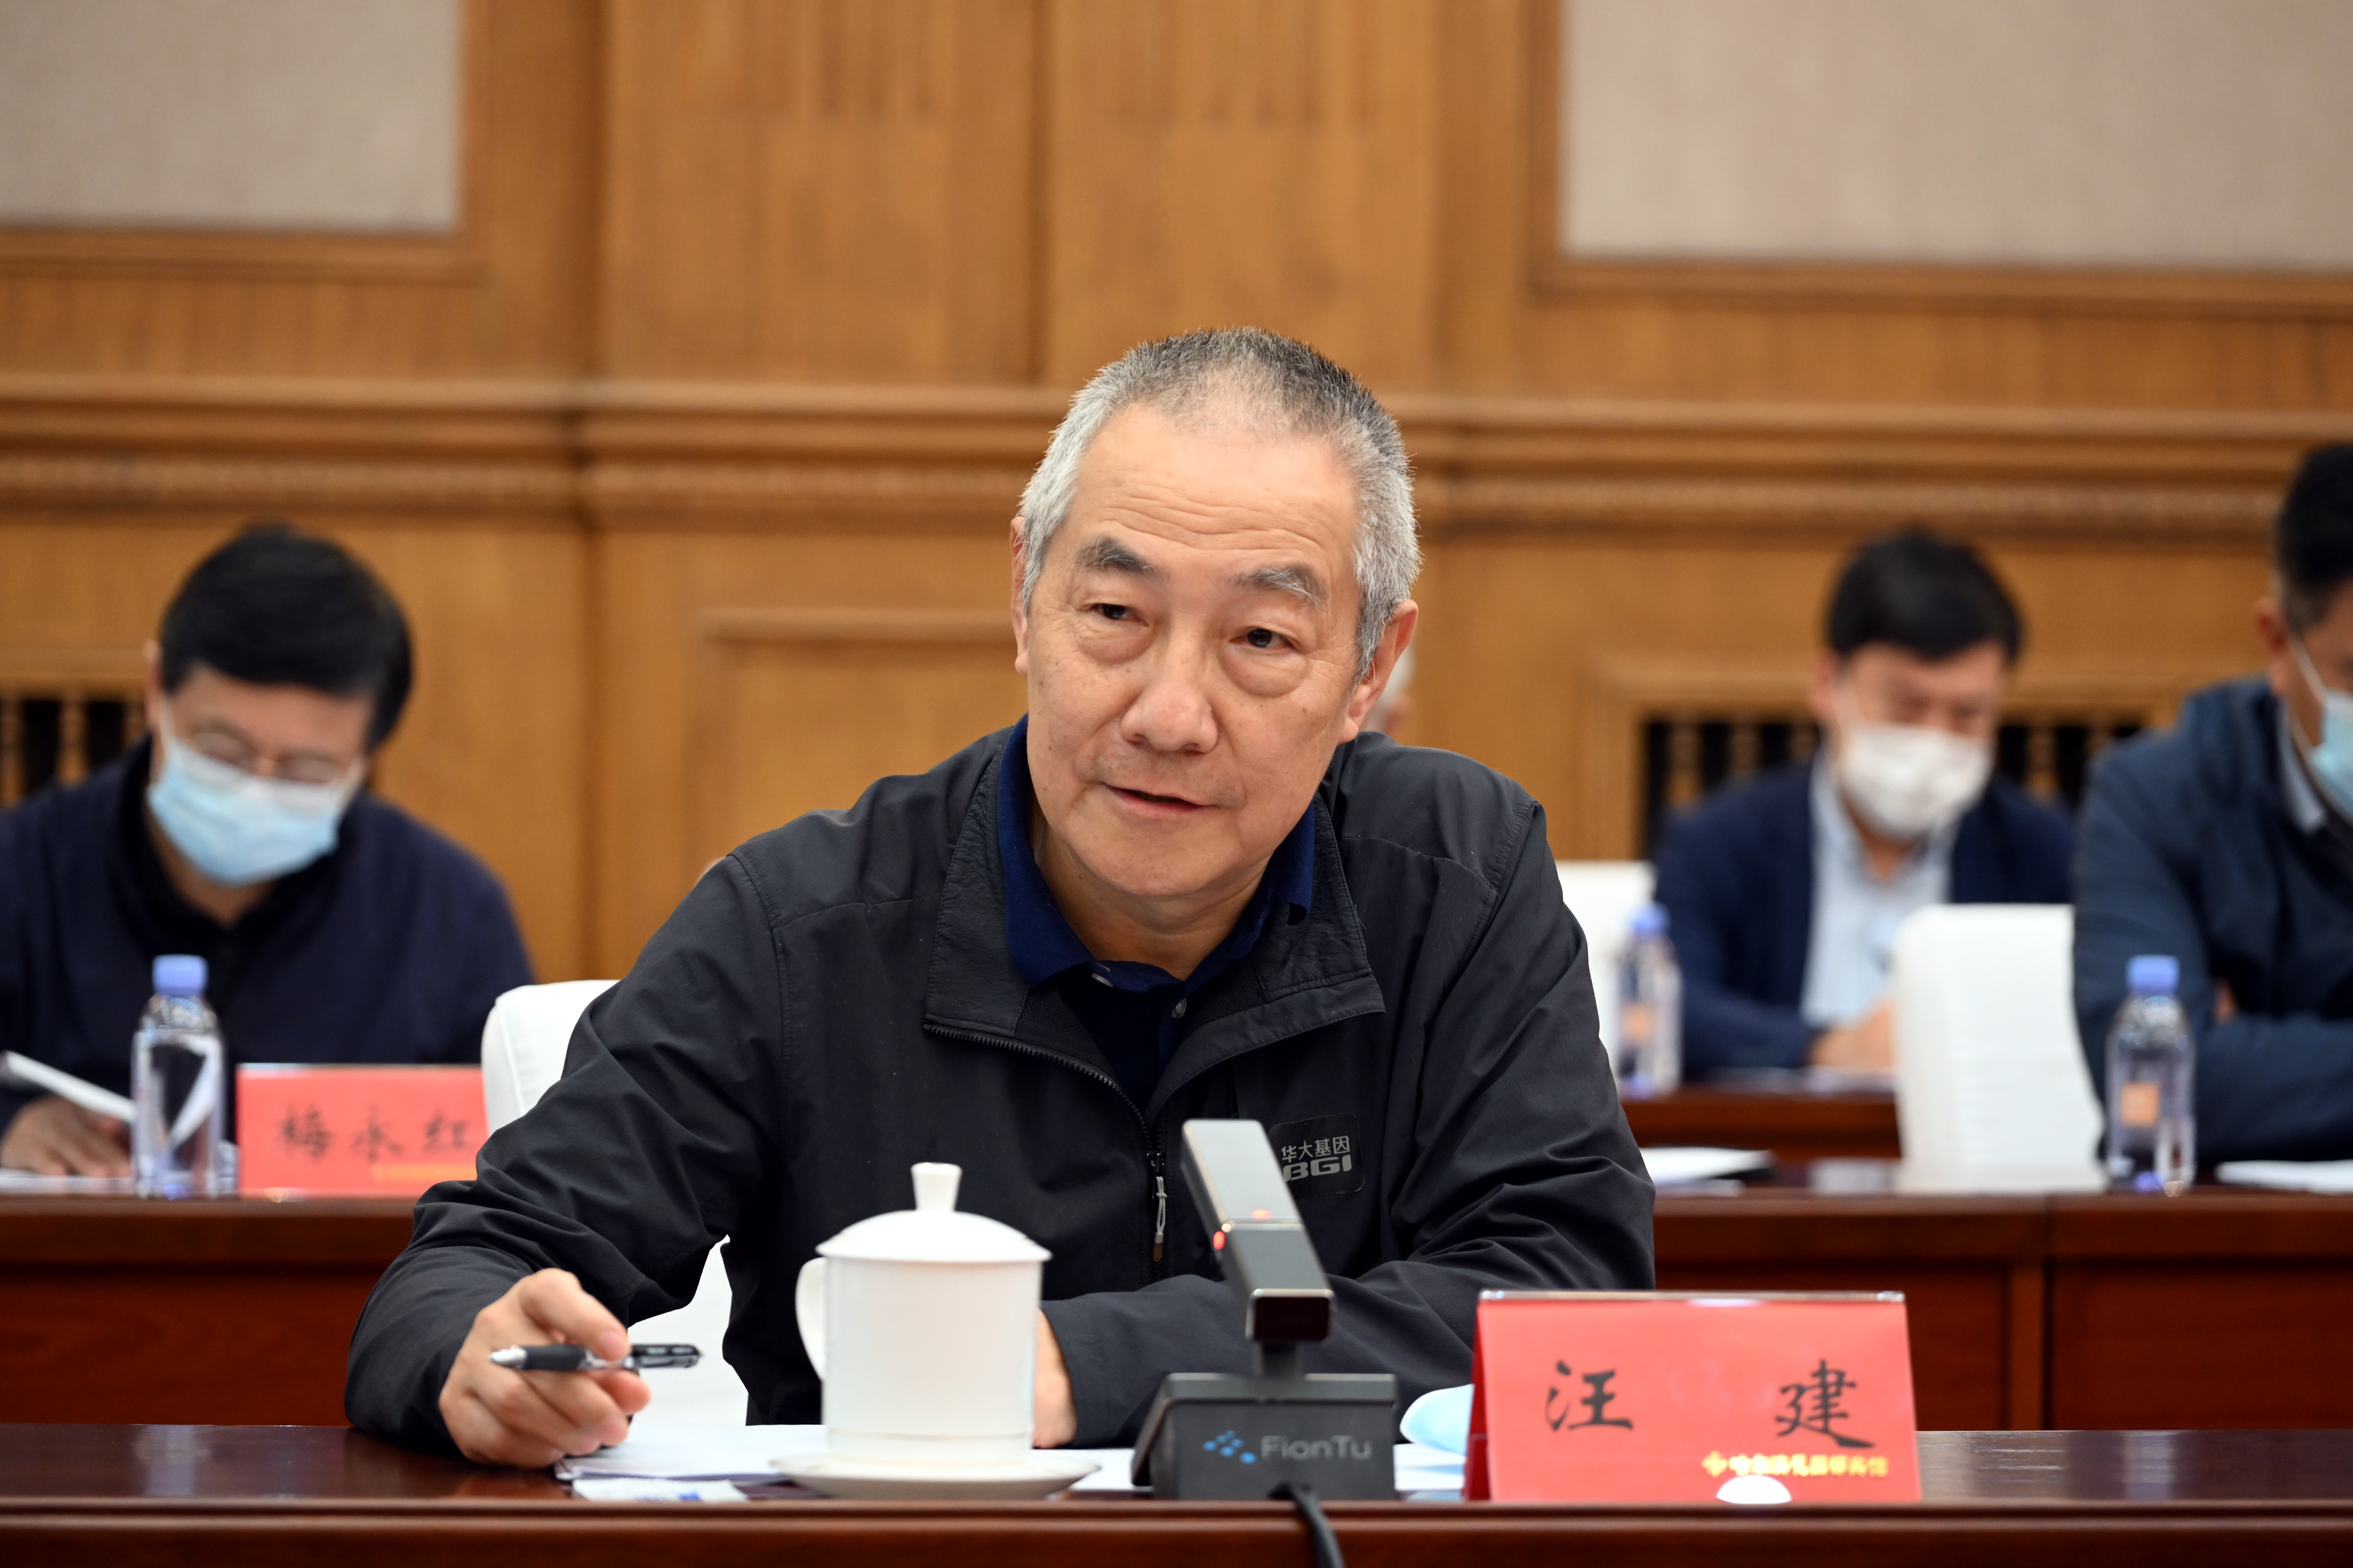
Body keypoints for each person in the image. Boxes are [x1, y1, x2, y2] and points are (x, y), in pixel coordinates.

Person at [345, 328, 1654, 1465]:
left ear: (1369, 669)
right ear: (1025, 597)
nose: (1170, 714)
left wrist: (1083, 1367)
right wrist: (476, 1358)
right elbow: (467, 1269)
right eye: (1115, 613)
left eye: (1260, 639)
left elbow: (1563, 1296)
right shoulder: (800, 927)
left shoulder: (1456, 876)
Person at [0, 524, 534, 1175]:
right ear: (156, 688)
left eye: (305, 770)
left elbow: (521, 1154)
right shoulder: (21, 870)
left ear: (365, 757)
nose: (255, 787)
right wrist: (9, 1125)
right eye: (223, 750)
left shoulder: (449, 912)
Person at [1653, 531, 2073, 1078]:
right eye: (1906, 707)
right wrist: (1830, 1047)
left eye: (1968, 714)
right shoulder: (1718, 842)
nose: (1934, 739)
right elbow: (1668, 1010)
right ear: (1828, 684)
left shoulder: (2044, 849)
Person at [2075, 445, 2353, 1162]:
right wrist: (2204, 1062)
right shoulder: (2154, 796)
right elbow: (2153, 1089)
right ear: (2277, 643)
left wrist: (2248, 1052)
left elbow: (2214, 1073)